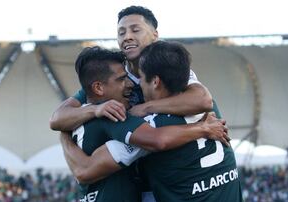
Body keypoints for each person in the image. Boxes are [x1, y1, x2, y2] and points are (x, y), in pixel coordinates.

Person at [62, 41, 242, 202]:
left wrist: (64, 135)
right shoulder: (208, 107)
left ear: (155, 81)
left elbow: (85, 170)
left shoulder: (150, 126)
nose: (135, 84)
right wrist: (202, 127)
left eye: (139, 77)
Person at [49, 5, 219, 132]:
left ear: (155, 35)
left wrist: (145, 108)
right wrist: (95, 109)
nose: (127, 37)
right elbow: (57, 119)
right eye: (121, 32)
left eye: (135, 30)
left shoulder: (169, 65)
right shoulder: (112, 75)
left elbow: (202, 100)